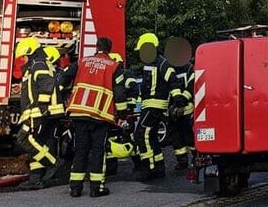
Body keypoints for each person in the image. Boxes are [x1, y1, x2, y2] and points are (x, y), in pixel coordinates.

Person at [66, 37, 127, 197]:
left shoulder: (82, 62)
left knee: (80, 151)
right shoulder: (114, 66)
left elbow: (64, 78)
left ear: (96, 47)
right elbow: (120, 93)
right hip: (100, 116)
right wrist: (122, 114)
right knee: (98, 152)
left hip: (79, 113)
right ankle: (96, 188)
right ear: (110, 49)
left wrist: (64, 98)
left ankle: (75, 188)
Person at [15, 37, 65, 189]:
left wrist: (42, 106)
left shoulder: (38, 65)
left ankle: (53, 163)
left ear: (29, 53)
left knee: (24, 139)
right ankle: (36, 178)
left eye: (23, 57)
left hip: (40, 113)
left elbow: (46, 84)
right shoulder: (37, 65)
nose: (22, 60)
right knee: (38, 144)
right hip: (40, 113)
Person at [134, 33, 176, 181]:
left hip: (155, 106)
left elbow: (173, 81)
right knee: (151, 136)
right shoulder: (150, 63)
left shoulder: (162, 63)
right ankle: (159, 167)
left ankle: (148, 168)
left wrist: (178, 100)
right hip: (149, 105)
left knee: (141, 134)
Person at [169, 56, 195, 171]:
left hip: (187, 108)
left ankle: (196, 158)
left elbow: (191, 87)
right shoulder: (170, 69)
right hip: (174, 110)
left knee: (190, 136)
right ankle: (182, 161)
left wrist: (181, 102)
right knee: (176, 137)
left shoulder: (190, 68)